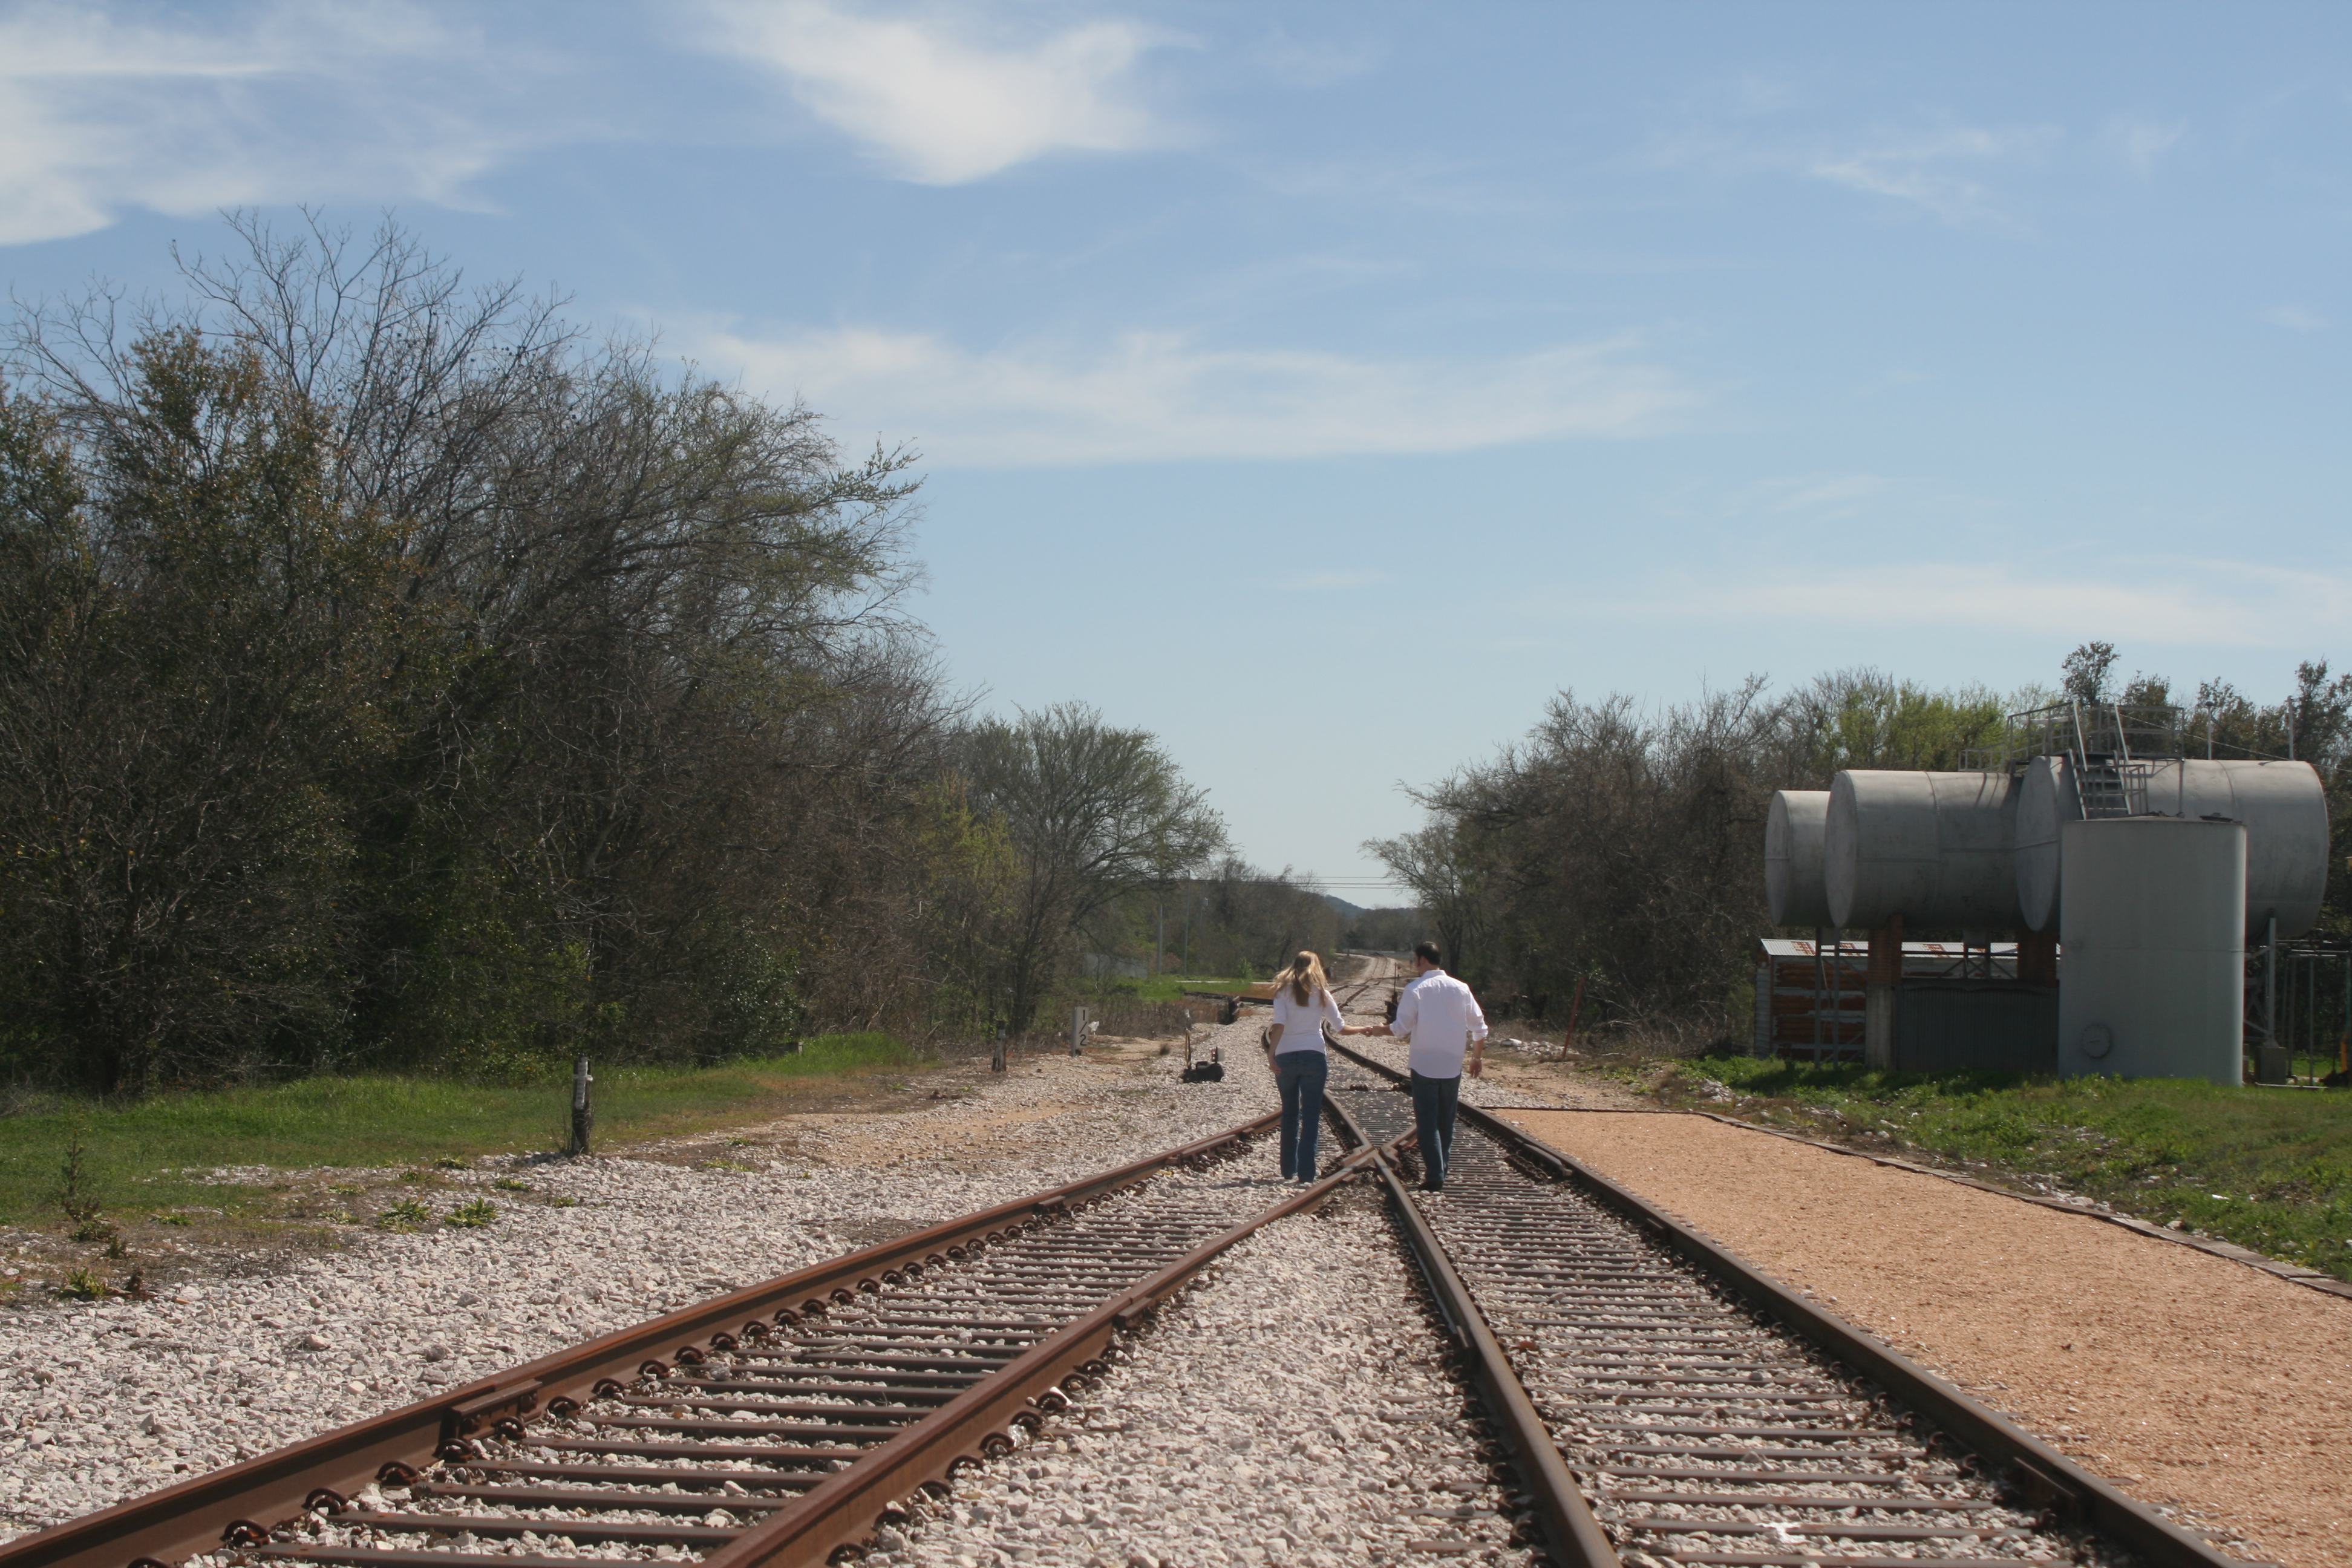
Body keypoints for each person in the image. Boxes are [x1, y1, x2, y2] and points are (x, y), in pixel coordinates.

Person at [1347, 941, 1486, 1192]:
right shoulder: (1462, 988)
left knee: (1427, 1122)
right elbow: (1479, 1027)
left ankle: (1435, 1175)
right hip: (1452, 1064)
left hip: (1424, 1064)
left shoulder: (1416, 989)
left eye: (1415, 959)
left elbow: (1401, 1029)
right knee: (1446, 1121)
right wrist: (1476, 1058)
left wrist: (1376, 1031)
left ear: (1422, 959)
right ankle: (1442, 1169)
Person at [1264, 949, 1342, 1184]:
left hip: (1286, 1056)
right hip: (1314, 1056)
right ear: (1316, 967)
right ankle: (1307, 1174)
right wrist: (1369, 1030)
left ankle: (1289, 1170)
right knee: (1311, 1115)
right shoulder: (1323, 994)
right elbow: (1339, 1027)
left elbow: (1279, 1025)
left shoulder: (1282, 993)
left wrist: (1272, 1054)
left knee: (1289, 1114)